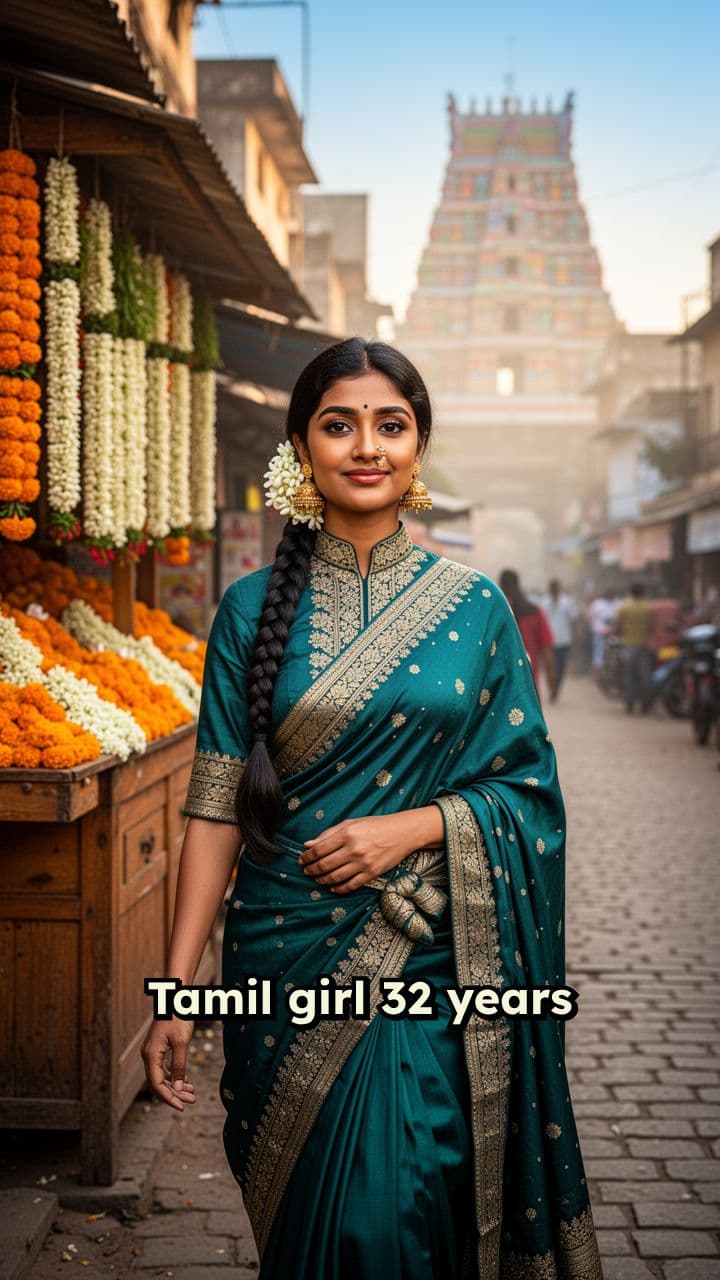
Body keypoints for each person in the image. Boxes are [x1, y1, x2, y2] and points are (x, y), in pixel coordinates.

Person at [141, 339, 602, 1279]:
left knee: (400, 1208)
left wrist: (417, 826)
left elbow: (528, 793)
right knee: (307, 1218)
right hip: (281, 959)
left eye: (390, 425)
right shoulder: (248, 610)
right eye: (338, 424)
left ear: (418, 447)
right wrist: (178, 989)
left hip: (425, 954)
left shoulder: (476, 607)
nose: (366, 446)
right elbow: (216, 809)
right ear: (300, 449)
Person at [499, 568, 558, 702]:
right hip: (529, 686)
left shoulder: (496, 611)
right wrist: (551, 679)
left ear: (501, 584)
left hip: (500, 690)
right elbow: (546, 648)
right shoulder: (534, 612)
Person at [615, 582, 654, 712]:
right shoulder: (649, 608)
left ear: (631, 593)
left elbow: (618, 627)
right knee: (645, 675)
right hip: (645, 646)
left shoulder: (625, 608)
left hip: (629, 646)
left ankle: (629, 702)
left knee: (629, 675)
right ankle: (645, 702)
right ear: (643, 593)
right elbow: (652, 626)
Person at [541, 578, 578, 697]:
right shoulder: (544, 603)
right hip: (548, 641)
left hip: (564, 640)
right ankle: (551, 687)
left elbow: (573, 620)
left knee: (560, 667)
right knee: (549, 666)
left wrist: (575, 636)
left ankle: (556, 688)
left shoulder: (567, 603)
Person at [588, 590, 615, 677]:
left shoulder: (597, 604)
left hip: (599, 631)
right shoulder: (610, 605)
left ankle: (598, 673)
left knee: (598, 651)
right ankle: (600, 673)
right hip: (605, 632)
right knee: (601, 651)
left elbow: (590, 617)